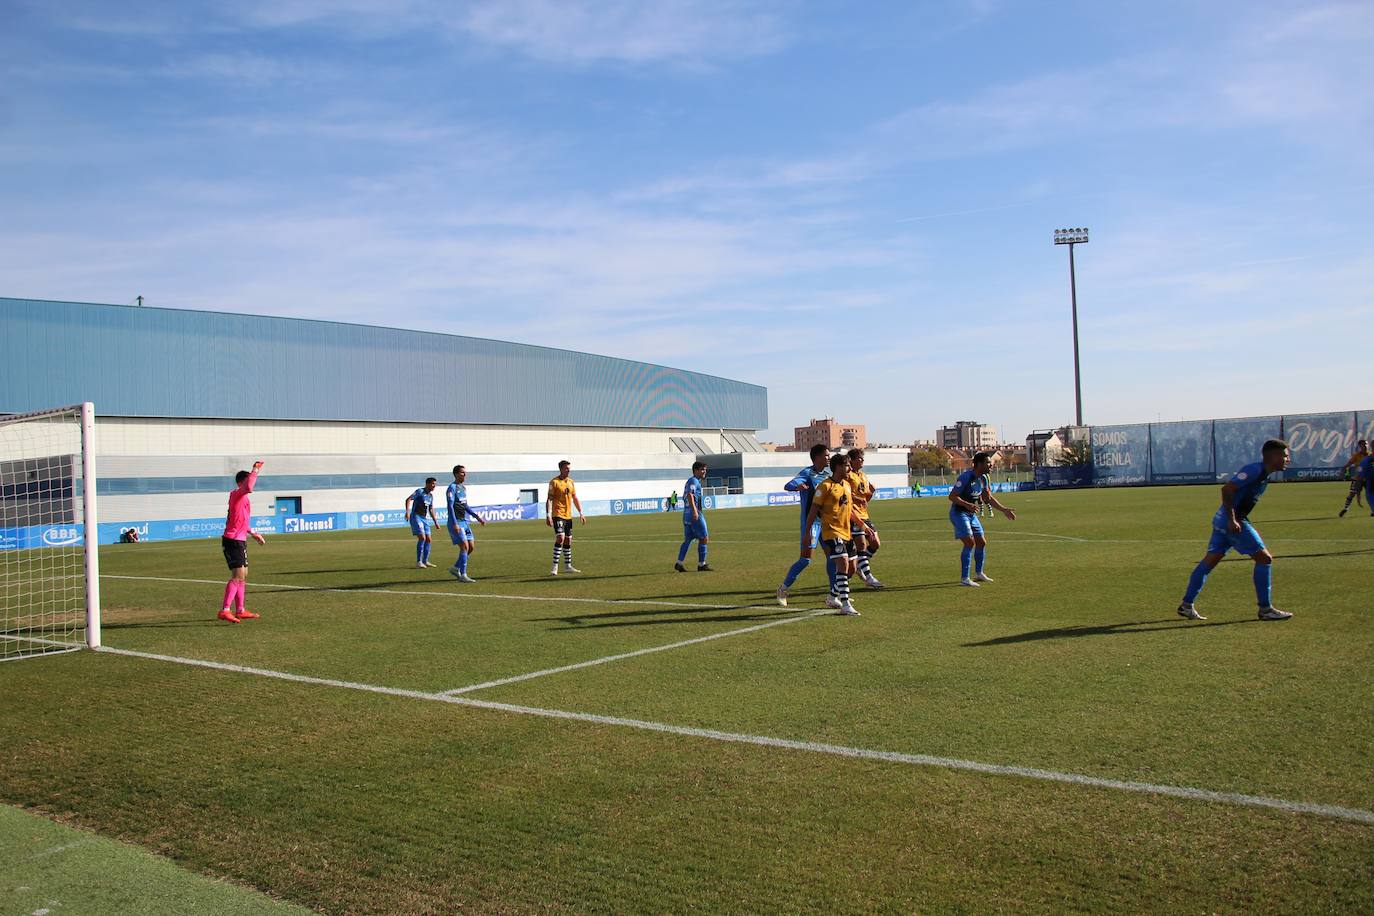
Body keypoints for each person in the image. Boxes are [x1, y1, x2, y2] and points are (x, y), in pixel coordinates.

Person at [1178, 439, 1293, 621]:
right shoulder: (1254, 470)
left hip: (1226, 520)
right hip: (1232, 522)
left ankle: (1186, 605)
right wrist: (1232, 519)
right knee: (1264, 559)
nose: (1288, 460)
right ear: (1274, 456)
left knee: (1209, 562)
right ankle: (1265, 609)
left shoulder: (1263, 473)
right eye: (1286, 456)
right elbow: (1227, 489)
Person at [804, 453, 873, 616]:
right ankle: (846, 604)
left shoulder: (847, 486)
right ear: (838, 467)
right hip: (831, 531)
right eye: (847, 465)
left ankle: (832, 596)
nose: (849, 468)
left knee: (851, 568)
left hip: (846, 531)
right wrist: (807, 532)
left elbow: (849, 511)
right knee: (842, 563)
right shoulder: (825, 486)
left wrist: (863, 526)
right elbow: (813, 510)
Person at [776, 444, 832, 607]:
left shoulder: (829, 474)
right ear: (817, 457)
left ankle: (834, 594)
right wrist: (797, 487)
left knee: (833, 558)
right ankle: (783, 589)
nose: (829, 458)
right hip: (811, 523)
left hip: (827, 522)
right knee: (806, 559)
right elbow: (788, 485)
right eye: (826, 455)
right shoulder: (808, 473)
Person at [949, 452, 1016, 587]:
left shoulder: (984, 478)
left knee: (981, 542)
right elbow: (952, 496)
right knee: (969, 543)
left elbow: (988, 498)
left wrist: (1004, 510)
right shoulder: (966, 477)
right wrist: (967, 504)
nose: (991, 465)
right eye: (988, 462)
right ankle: (965, 578)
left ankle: (979, 573)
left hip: (971, 515)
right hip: (959, 513)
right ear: (979, 464)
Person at [219, 460, 267, 623]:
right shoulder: (237, 493)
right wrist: (255, 470)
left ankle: (240, 609)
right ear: (241, 482)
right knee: (238, 575)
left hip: (239, 539)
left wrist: (253, 533)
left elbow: (242, 522)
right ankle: (225, 610)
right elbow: (249, 487)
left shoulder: (243, 499)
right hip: (232, 540)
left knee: (243, 575)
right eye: (248, 479)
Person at [845, 449, 884, 589]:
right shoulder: (847, 476)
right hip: (853, 515)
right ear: (852, 460)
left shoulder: (863, 476)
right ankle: (868, 577)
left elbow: (866, 500)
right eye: (860, 458)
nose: (862, 461)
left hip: (864, 515)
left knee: (875, 543)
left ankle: (860, 565)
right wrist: (857, 498)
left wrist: (871, 492)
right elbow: (846, 495)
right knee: (861, 544)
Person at [446, 465, 486, 583]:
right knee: (464, 546)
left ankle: (455, 568)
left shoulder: (463, 488)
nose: (465, 475)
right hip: (456, 522)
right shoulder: (451, 488)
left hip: (463, 521)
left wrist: (477, 517)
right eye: (462, 473)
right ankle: (463, 574)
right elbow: (450, 506)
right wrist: (455, 523)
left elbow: (465, 506)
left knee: (471, 547)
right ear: (456, 474)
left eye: (465, 472)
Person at [546, 460, 586, 575]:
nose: (569, 470)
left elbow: (575, 498)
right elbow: (549, 499)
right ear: (561, 469)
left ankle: (568, 566)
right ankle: (555, 566)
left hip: (568, 516)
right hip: (558, 514)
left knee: (568, 539)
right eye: (566, 468)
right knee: (561, 537)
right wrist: (548, 515)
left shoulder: (571, 482)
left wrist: (581, 513)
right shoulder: (554, 482)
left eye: (569, 468)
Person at [674, 461, 713, 572]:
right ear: (695, 470)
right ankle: (701, 564)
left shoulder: (691, 481)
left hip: (686, 514)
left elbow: (684, 496)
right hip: (694, 514)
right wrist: (695, 511)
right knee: (704, 538)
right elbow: (690, 495)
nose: (704, 471)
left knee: (688, 539)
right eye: (702, 469)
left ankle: (679, 563)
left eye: (705, 469)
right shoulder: (694, 481)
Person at [405, 477, 440, 568]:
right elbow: (408, 499)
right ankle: (419, 562)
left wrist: (435, 522)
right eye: (433, 484)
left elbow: (431, 509)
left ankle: (425, 561)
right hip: (416, 516)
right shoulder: (420, 491)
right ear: (427, 484)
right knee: (422, 538)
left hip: (425, 518)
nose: (434, 486)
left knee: (429, 539)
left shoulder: (430, 496)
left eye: (435, 484)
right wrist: (408, 512)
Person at [1339, 439, 1369, 516]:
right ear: (1360, 446)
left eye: (1366, 444)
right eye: (1363, 444)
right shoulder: (1357, 456)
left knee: (1371, 494)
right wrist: (1343, 469)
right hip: (1358, 478)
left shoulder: (1370, 455)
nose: (1365, 446)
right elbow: (1349, 463)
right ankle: (1345, 508)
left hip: (1368, 478)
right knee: (1352, 494)